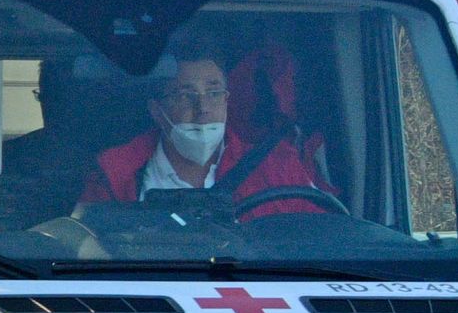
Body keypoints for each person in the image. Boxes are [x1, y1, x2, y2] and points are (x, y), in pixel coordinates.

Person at [87, 45, 327, 206]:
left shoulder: (278, 166)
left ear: (226, 99)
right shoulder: (116, 174)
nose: (203, 108)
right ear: (157, 111)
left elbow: (315, 241)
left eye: (213, 93)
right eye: (185, 95)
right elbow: (88, 250)